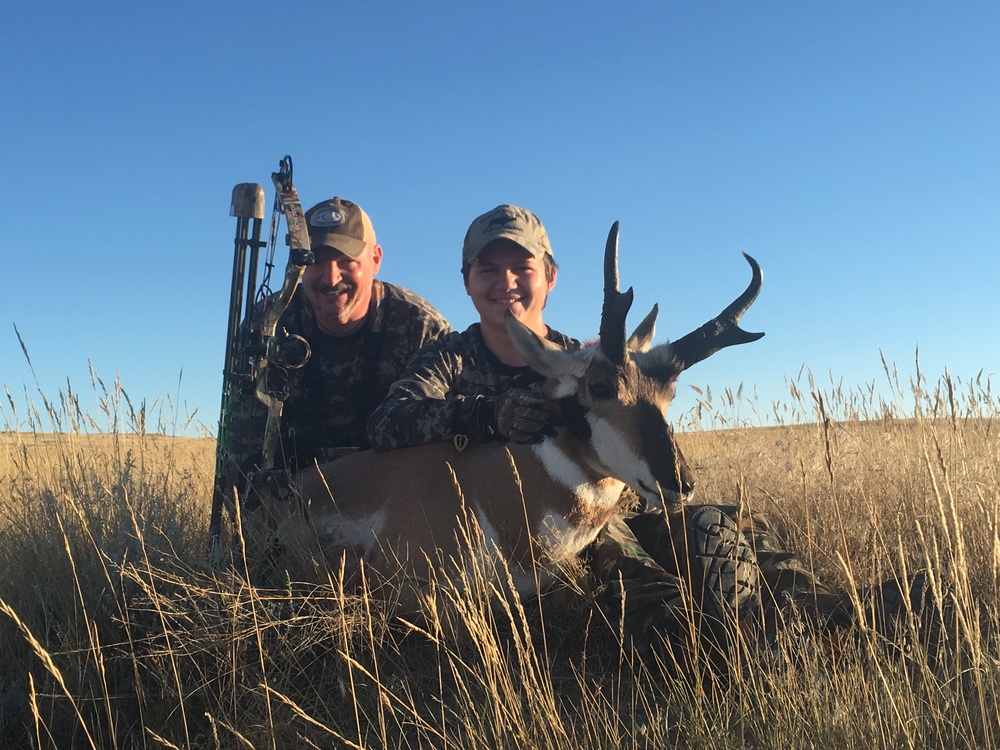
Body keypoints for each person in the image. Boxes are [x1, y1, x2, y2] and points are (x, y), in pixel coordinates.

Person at [224, 196, 452, 507]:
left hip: (394, 501)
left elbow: (446, 441)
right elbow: (243, 440)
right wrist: (250, 513)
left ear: (375, 259)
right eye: (315, 261)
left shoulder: (422, 327)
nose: (331, 278)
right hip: (293, 500)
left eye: (346, 261)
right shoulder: (268, 321)